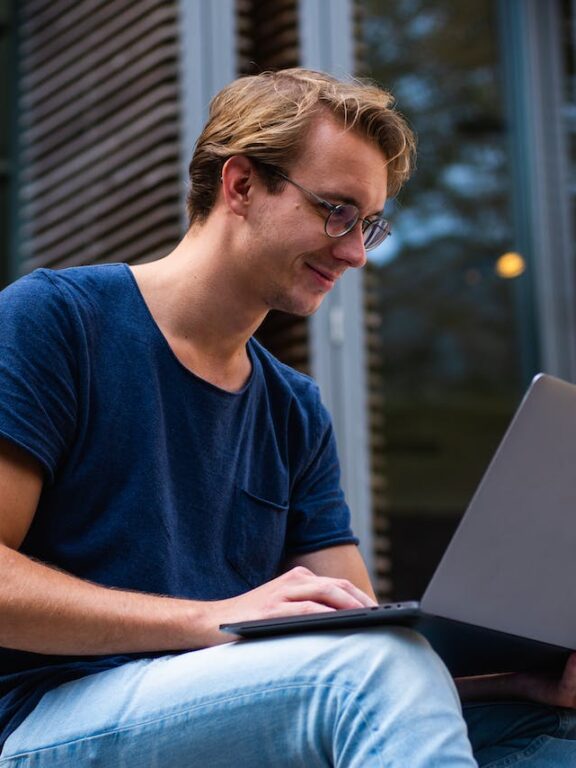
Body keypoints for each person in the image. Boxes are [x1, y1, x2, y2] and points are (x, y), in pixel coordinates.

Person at [0, 68, 574, 768]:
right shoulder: (57, 322)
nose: (356, 252)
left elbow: (367, 636)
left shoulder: (293, 409)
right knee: (371, 671)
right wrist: (208, 619)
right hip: (49, 718)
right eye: (336, 211)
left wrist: (517, 680)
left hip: (231, 709)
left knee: (547, 731)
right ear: (240, 186)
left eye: (368, 225)